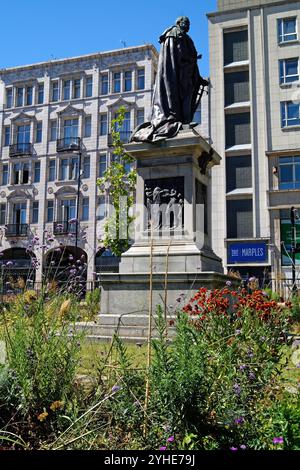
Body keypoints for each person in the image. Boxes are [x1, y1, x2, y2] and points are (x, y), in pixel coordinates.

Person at [131, 16, 209, 143]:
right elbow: (176, 55)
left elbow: (191, 61)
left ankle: (186, 121)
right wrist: (191, 59)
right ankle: (183, 122)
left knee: (188, 96)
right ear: (178, 23)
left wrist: (199, 78)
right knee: (180, 97)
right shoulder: (173, 34)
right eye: (185, 22)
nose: (188, 25)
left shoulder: (186, 38)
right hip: (176, 75)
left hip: (185, 75)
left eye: (189, 23)